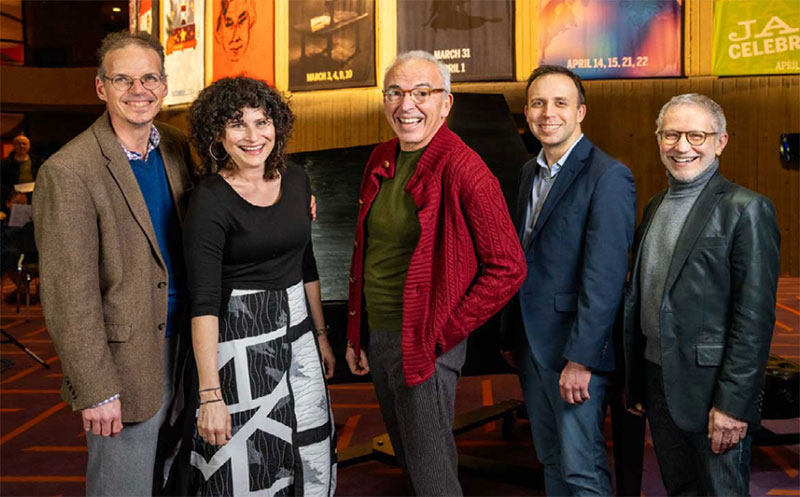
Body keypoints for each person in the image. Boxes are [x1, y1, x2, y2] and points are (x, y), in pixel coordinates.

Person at [345, 50, 526, 496]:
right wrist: (356, 333)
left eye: (422, 93)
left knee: (432, 475)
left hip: (426, 337)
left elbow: (508, 266)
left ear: (446, 103)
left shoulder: (465, 168)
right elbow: (367, 251)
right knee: (408, 456)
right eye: (396, 93)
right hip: (382, 332)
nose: (407, 105)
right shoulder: (381, 156)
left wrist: (446, 329)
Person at [32, 31, 193, 496]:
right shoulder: (69, 171)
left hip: (186, 342)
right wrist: (95, 386)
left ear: (164, 86)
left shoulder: (177, 147)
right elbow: (68, 294)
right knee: (122, 486)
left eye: (148, 78)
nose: (137, 90)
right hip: (123, 363)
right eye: (122, 79)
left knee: (173, 476)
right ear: (101, 87)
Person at [183, 76, 336, 497]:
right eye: (237, 124)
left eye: (262, 121)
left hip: (299, 337)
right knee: (248, 462)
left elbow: (306, 262)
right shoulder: (210, 200)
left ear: (278, 126)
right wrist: (210, 395)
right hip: (238, 345)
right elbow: (205, 302)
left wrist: (321, 336)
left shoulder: (298, 179)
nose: (253, 136)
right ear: (217, 133)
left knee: (308, 447)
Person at [623, 93, 780, 496]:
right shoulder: (655, 207)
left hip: (713, 389)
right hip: (659, 379)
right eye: (671, 134)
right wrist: (638, 383)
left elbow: (754, 319)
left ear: (720, 141)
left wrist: (733, 404)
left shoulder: (746, 209)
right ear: (658, 139)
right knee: (680, 489)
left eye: (696, 135)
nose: (682, 147)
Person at [500, 65, 636, 496]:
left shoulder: (608, 176)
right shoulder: (528, 172)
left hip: (575, 351)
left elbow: (605, 278)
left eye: (560, 103)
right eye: (538, 103)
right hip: (531, 342)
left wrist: (582, 359)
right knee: (551, 460)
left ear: (581, 111)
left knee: (582, 468)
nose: (548, 113)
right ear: (526, 111)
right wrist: (510, 332)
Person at [1, 134, 42, 207]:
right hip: (14, 199)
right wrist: (11, 193)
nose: (21, 146)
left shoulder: (37, 162)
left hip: (34, 197)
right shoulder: (4, 164)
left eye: (24, 144)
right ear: (13, 145)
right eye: (18, 144)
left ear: (29, 146)